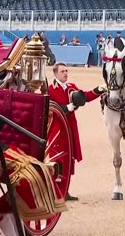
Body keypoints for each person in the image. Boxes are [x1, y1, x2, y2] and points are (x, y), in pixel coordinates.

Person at [48, 62, 107, 200]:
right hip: (57, 129)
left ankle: (65, 191)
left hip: (70, 127)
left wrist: (98, 90)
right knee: (58, 159)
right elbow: (48, 108)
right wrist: (65, 108)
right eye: (63, 71)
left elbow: (84, 97)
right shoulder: (50, 89)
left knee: (69, 159)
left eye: (67, 71)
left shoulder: (71, 87)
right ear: (55, 74)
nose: (66, 73)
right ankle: (56, 193)